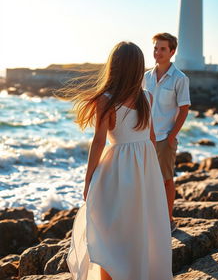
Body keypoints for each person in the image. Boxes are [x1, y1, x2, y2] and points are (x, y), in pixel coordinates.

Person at [66, 42, 172, 280]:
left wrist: (88, 179)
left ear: (114, 67)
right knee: (138, 227)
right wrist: (149, 172)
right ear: (137, 69)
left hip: (116, 170)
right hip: (144, 169)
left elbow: (99, 142)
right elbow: (151, 138)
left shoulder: (107, 99)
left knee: (110, 231)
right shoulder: (148, 97)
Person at [144, 33, 191, 233]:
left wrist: (171, 136)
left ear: (172, 52)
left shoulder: (180, 79)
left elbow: (184, 108)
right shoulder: (146, 77)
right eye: (156, 48)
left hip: (164, 137)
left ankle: (168, 219)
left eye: (163, 49)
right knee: (145, 179)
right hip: (144, 137)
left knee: (165, 179)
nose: (158, 52)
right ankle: (149, 218)